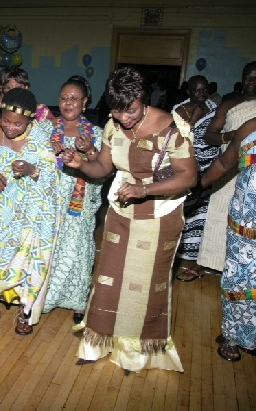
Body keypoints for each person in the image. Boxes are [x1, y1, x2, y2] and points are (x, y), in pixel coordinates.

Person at [62, 66, 196, 373]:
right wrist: (81, 164)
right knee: (108, 280)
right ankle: (99, 343)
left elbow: (188, 178)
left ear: (144, 99)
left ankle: (134, 351)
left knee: (142, 285)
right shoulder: (114, 125)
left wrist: (144, 189)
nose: (124, 118)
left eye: (131, 111)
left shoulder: (172, 128)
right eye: (117, 111)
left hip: (158, 216)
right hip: (121, 212)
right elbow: (103, 168)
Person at [201, 69, 256, 380]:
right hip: (246, 228)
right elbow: (224, 163)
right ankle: (233, 336)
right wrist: (195, 187)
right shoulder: (251, 128)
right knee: (239, 283)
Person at [0, 88, 60, 334]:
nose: (10, 127)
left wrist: (31, 170)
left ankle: (24, 311)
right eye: (6, 120)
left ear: (30, 121)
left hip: (26, 212)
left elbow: (50, 175)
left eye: (18, 124)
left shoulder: (39, 137)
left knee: (24, 258)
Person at [42, 75, 103, 324]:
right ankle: (45, 295)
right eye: (64, 98)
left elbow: (102, 166)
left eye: (74, 99)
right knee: (51, 246)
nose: (68, 103)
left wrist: (88, 149)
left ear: (85, 102)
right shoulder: (46, 129)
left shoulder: (95, 133)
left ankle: (78, 300)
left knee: (77, 246)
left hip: (79, 198)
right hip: (50, 197)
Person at [198, 61, 256, 273]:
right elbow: (209, 135)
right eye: (248, 77)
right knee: (218, 214)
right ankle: (211, 263)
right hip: (225, 167)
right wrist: (231, 136)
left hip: (254, 171)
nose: (251, 82)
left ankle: (238, 267)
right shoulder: (229, 104)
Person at [172, 75, 219, 281]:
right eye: (197, 91)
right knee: (186, 209)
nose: (201, 95)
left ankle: (197, 256)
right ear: (188, 92)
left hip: (212, 166)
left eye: (204, 90)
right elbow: (178, 138)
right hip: (189, 165)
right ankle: (178, 253)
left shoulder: (216, 108)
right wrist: (194, 117)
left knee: (204, 213)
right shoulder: (179, 110)